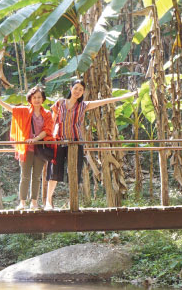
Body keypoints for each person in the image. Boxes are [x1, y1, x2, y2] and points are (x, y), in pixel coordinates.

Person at [45, 77, 133, 209]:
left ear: (83, 92)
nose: (77, 91)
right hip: (59, 140)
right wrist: (49, 138)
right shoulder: (59, 103)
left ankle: (72, 202)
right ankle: (48, 201)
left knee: (74, 171)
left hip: (75, 142)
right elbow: (51, 122)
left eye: (81, 90)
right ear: (71, 88)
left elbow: (104, 101)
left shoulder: (83, 105)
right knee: (54, 171)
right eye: (76, 88)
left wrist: (124, 97)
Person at [0, 85, 54, 209]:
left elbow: (47, 130)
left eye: (39, 97)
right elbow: (12, 109)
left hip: (40, 148)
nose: (37, 100)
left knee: (36, 177)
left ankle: (34, 202)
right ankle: (22, 202)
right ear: (30, 99)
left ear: (43, 99)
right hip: (26, 148)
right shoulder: (25, 111)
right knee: (25, 176)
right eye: (34, 97)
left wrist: (35, 139)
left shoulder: (46, 114)